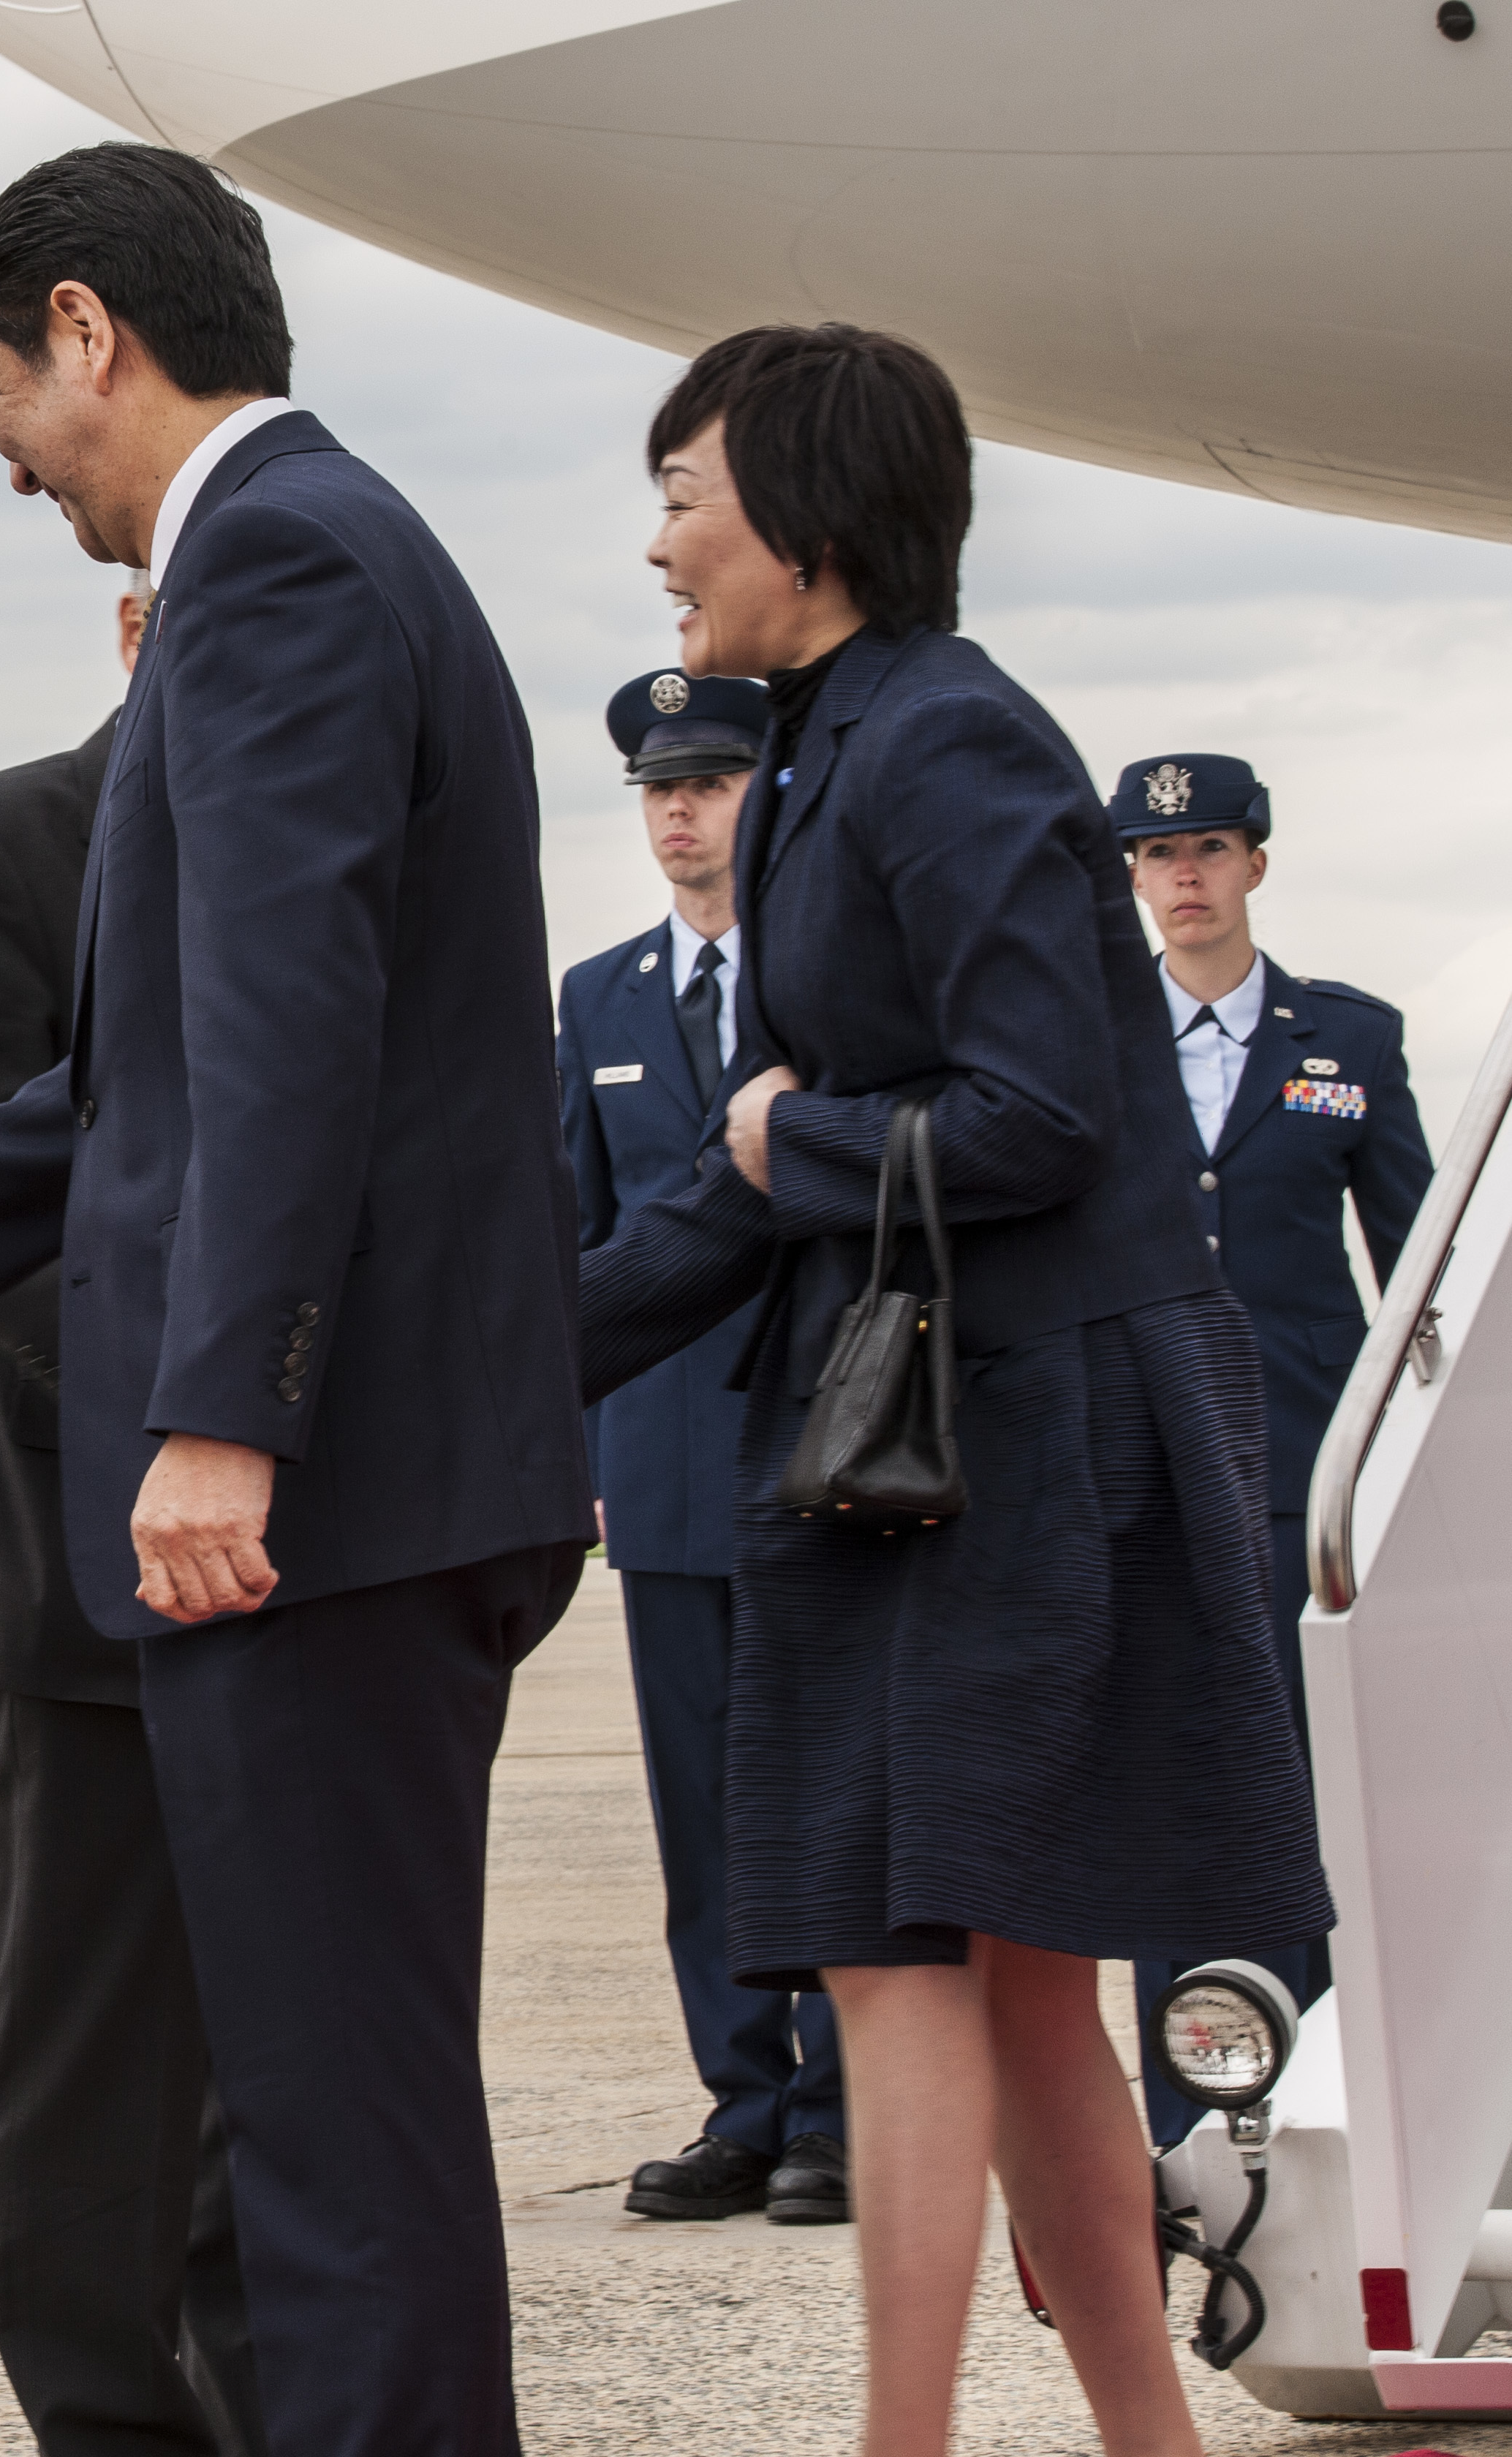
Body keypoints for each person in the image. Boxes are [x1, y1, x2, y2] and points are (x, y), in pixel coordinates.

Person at [0, 143, 595, 2457]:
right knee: (332, 2128)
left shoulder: (278, 563)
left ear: (88, 330)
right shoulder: (324, 548)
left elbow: (291, 1027)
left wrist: (226, 1414)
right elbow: (154, 1073)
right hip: (367, 1493)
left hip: (319, 1510)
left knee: (330, 2153)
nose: (6, 447)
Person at [576, 323, 1333, 2457]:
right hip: (933, 1436)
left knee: (904, 1963)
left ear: (804, 518)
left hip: (1011, 1443)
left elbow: (1040, 1118)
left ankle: (902, 2445)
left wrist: (779, 1139)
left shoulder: (946, 745)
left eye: (681, 498)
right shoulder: (837, 745)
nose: (657, 546)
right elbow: (763, 1188)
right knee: (1003, 1992)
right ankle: (1139, 2440)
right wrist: (500, 1362)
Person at [0, 581, 263, 2456]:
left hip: (303, 1559)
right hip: (77, 1559)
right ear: (134, 631)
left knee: (276, 2083)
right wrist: (197, 1448)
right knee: (95, 2076)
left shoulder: (332, 851)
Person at [560, 671, 849, 2230]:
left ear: (767, 797)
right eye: (658, 788)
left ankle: (842, 2110)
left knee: (829, 1789)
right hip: (664, 1462)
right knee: (705, 1810)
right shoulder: (596, 995)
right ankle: (742, 2101)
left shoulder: (826, 979)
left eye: (712, 782)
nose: (679, 811)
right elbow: (580, 1231)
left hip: (826, 1442)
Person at [1111, 751, 1428, 2146]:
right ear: (1129, 877)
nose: (1185, 878)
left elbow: (1413, 1262)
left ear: (1254, 863)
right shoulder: (1088, 1040)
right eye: (1157, 856)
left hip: (1304, 1474)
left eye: (1211, 849)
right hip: (1138, 1469)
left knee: (1311, 1787)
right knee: (1170, 1781)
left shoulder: (1345, 1042)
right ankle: (1195, 2109)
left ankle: (1332, 2101)